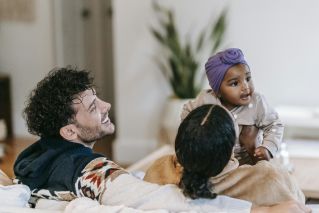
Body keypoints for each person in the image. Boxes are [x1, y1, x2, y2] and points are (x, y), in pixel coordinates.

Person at [13, 67, 309, 212]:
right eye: (93, 107)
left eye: (98, 98)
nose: (106, 106)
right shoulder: (96, 174)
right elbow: (167, 203)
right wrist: (263, 210)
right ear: (69, 131)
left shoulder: (32, 156)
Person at [145, 104, 304, 207]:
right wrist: (254, 151)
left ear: (180, 143)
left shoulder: (158, 171)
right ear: (229, 151)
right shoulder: (267, 179)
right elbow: (299, 203)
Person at [181, 48, 284, 165]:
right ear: (218, 91)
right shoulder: (207, 100)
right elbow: (187, 112)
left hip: (249, 161)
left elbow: (275, 124)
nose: (246, 87)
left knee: (269, 176)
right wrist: (196, 137)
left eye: (248, 78)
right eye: (235, 83)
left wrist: (267, 148)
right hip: (217, 163)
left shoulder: (257, 102)